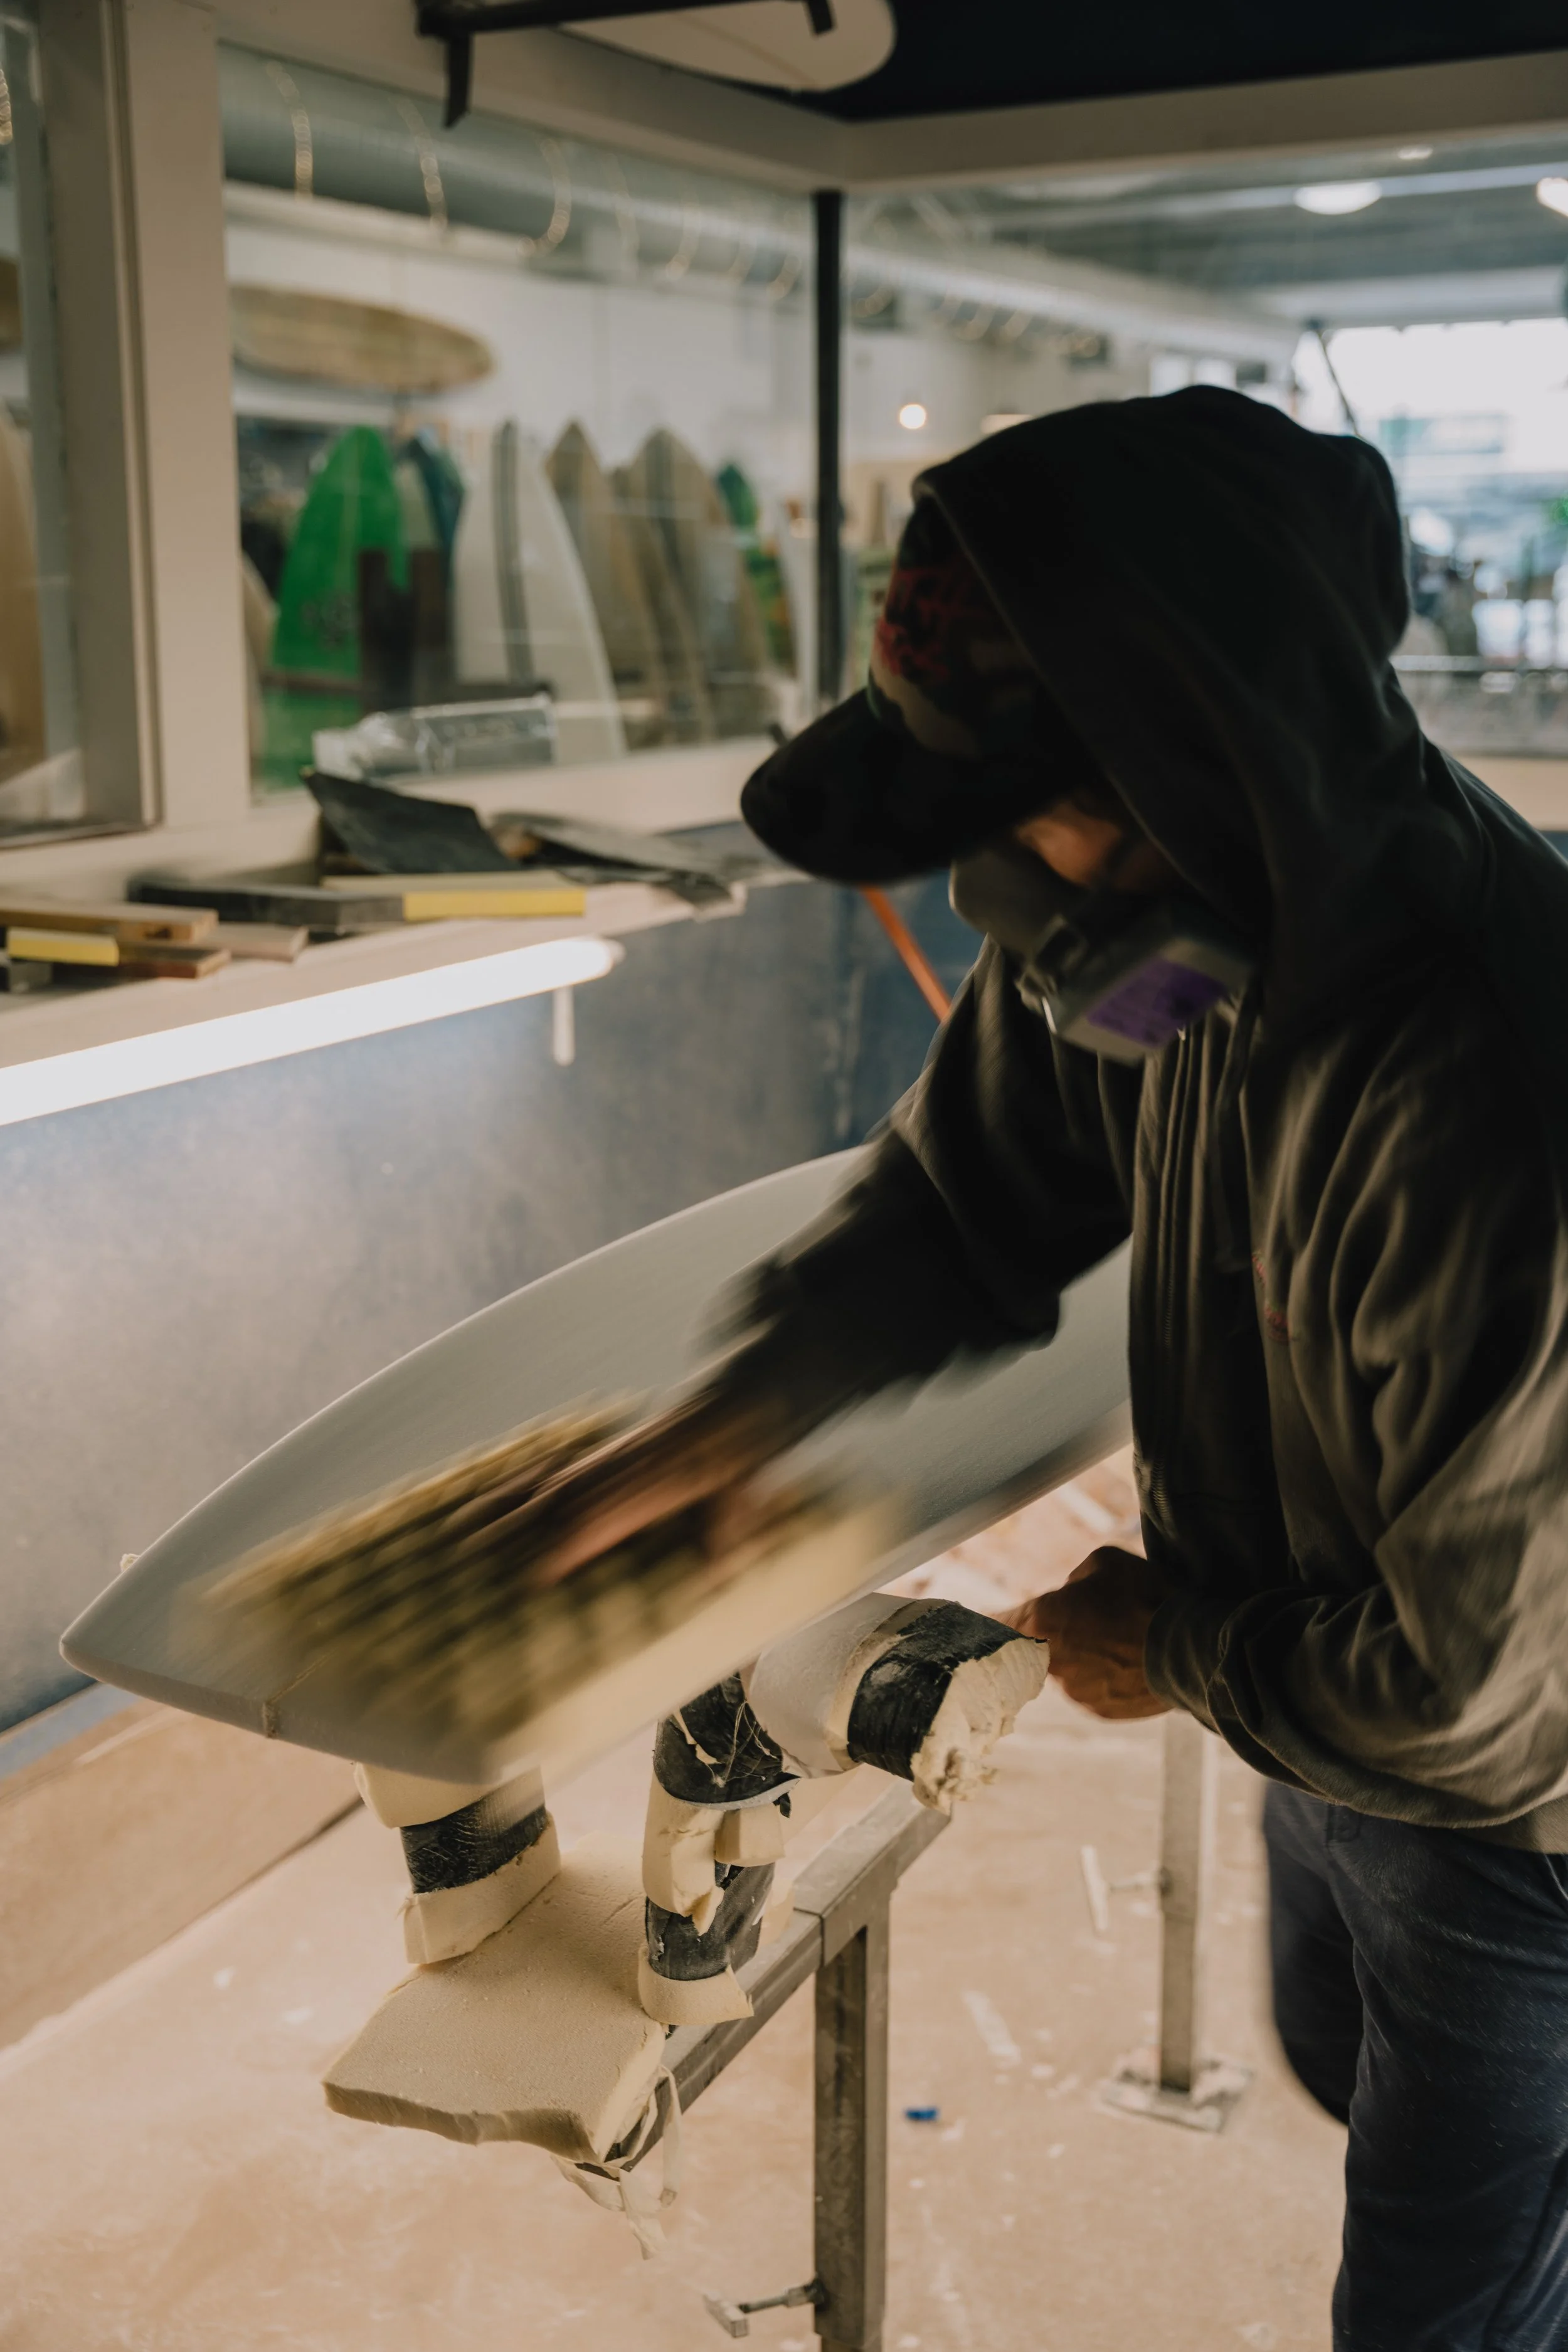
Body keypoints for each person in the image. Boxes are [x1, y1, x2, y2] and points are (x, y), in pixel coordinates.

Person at [517, 387, 1568, 2350]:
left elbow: (1480, 1710)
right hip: (1331, 1694)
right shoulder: (1158, 927)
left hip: (1525, 1813)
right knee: (1349, 2069)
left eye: (1018, 830)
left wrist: (1165, 1641)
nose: (991, 901)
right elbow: (967, 1196)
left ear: (1212, 765)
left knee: (1451, 2299)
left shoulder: (1491, 1096)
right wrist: (735, 1422)